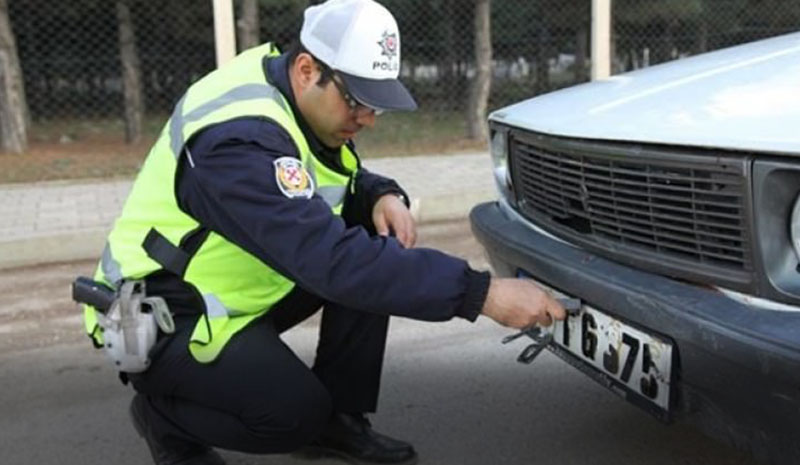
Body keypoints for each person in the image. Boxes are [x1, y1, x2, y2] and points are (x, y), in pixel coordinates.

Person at [82, 1, 566, 464]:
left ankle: (339, 419)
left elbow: (325, 177)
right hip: (164, 312)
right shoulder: (234, 142)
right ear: (308, 70)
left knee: (371, 240)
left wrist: (379, 193)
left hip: (232, 293)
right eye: (357, 100)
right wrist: (482, 294)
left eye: (376, 103)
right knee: (291, 415)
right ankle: (165, 419)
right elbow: (329, 259)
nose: (369, 119)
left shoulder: (291, 93)